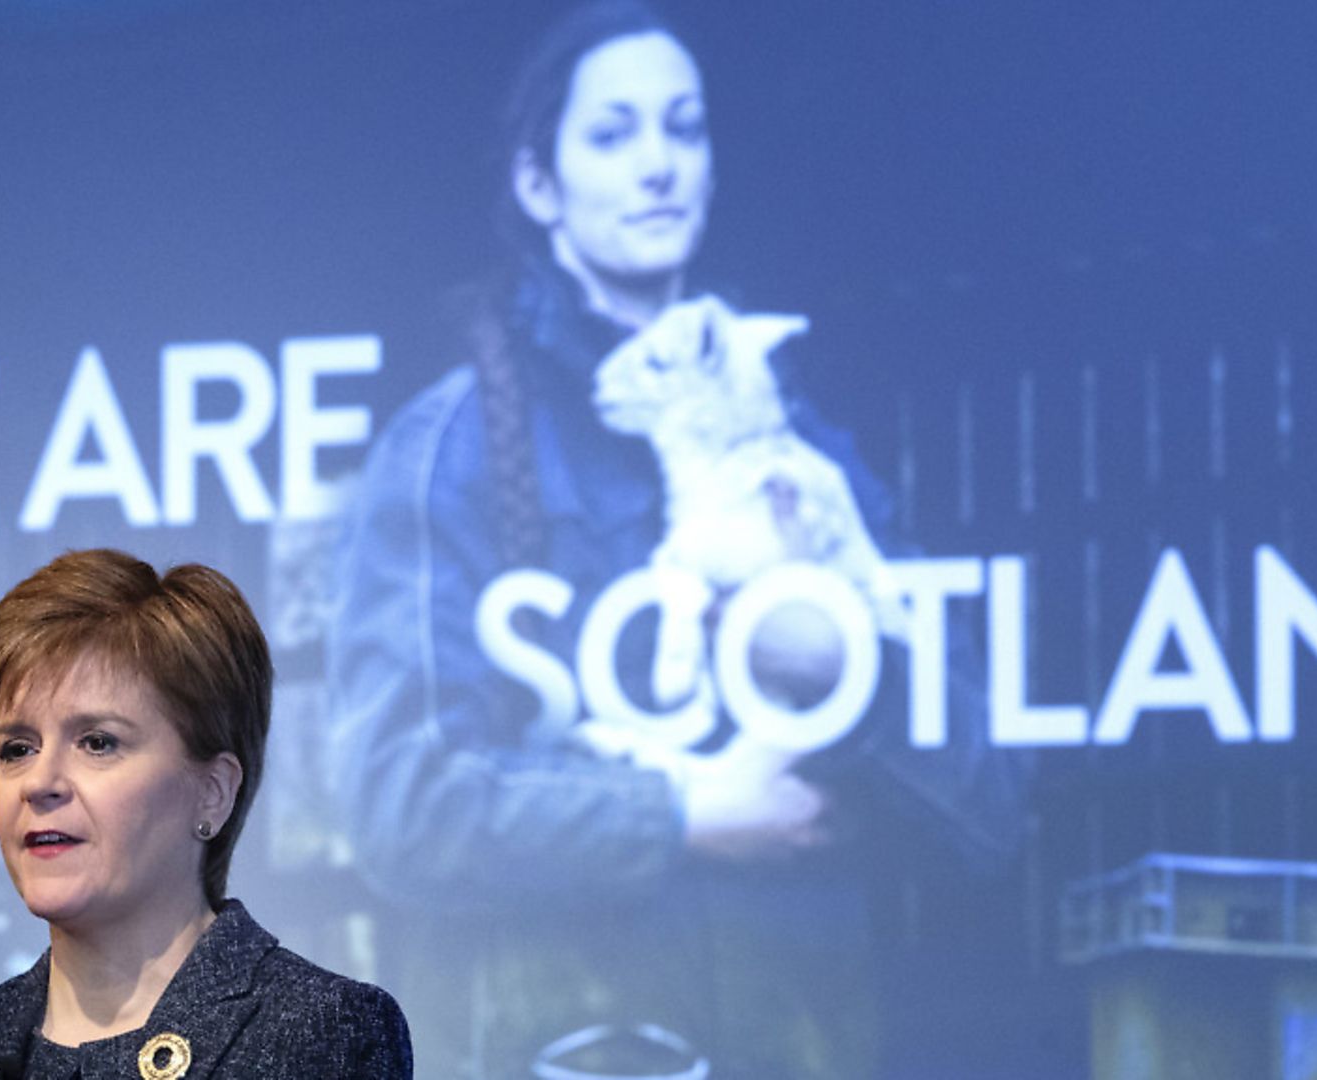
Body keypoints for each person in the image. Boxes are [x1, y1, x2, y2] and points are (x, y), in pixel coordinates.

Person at [326, 2, 1022, 1075]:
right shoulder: (446, 450)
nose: (657, 164)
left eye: (683, 128)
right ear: (536, 185)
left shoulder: (808, 460)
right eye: (613, 135)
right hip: (543, 1047)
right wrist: (684, 813)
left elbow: (990, 811)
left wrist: (829, 660)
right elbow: (400, 805)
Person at [0, 549, 412, 1079]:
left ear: (213, 791)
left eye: (97, 742)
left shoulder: (320, 1035)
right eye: (17, 749)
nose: (40, 784)